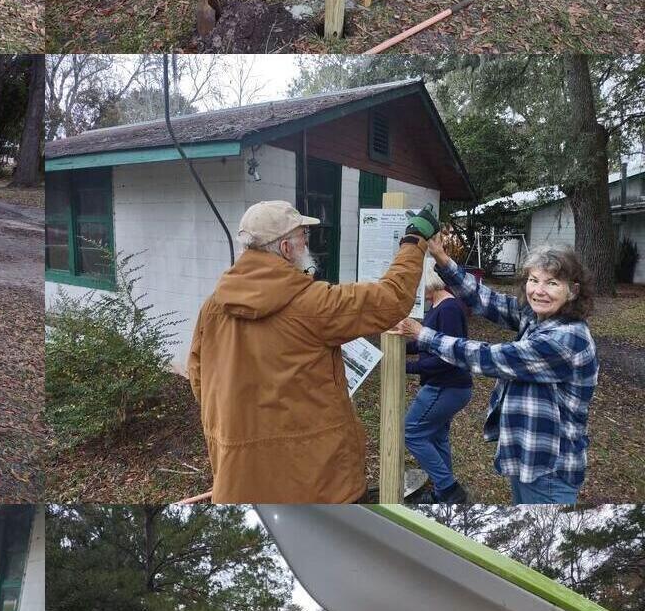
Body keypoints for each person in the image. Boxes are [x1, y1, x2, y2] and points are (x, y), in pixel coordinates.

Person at [188, 199, 439, 502]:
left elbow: (198, 377)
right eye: (302, 236)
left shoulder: (212, 307)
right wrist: (414, 240)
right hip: (318, 480)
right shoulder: (312, 304)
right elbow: (391, 299)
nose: (307, 243)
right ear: (285, 249)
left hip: (242, 476)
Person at [394, 238, 598, 505]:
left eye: (552, 283)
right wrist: (443, 260)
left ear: (572, 291)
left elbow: (489, 357)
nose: (539, 290)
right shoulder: (539, 318)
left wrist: (424, 335)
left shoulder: (565, 340)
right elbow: (486, 300)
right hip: (529, 457)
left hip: (550, 469)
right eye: (534, 280)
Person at [403, 266, 472, 505]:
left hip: (446, 386)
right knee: (436, 436)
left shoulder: (450, 308)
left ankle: (449, 488)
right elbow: (430, 343)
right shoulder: (438, 306)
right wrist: (400, 347)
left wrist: (408, 367)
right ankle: (446, 494)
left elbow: (447, 358)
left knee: (411, 432)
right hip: (449, 386)